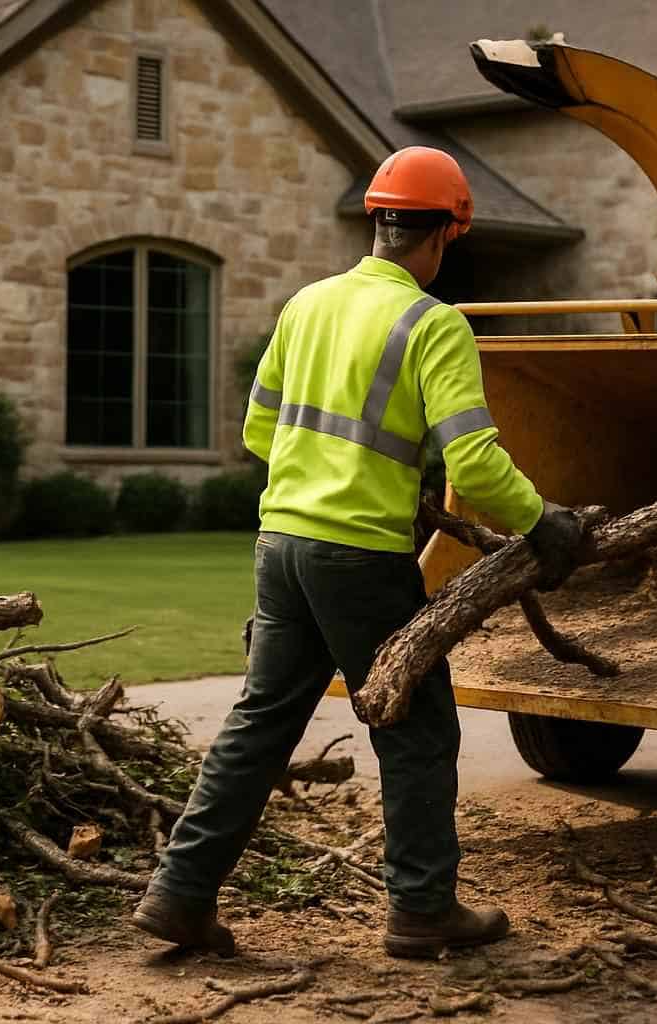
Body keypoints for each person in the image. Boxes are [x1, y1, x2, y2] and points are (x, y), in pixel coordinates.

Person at [131, 146, 583, 959]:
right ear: (446, 232)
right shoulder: (432, 323)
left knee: (260, 722)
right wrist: (541, 520)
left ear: (378, 220)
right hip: (358, 559)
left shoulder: (306, 305)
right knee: (415, 728)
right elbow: (473, 462)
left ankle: (180, 893)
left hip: (281, 548)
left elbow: (257, 433)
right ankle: (421, 910)